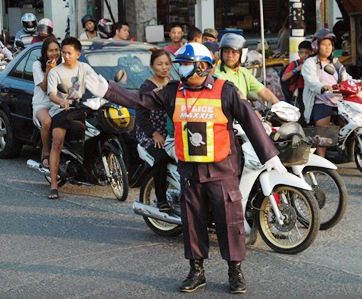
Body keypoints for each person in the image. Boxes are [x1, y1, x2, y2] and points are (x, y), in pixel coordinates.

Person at [85, 42, 287, 294]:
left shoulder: (226, 91)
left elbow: (249, 120)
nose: (180, 70)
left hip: (222, 170)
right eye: (179, 65)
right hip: (190, 171)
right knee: (193, 222)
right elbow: (140, 100)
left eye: (185, 65)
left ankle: (235, 271)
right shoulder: (172, 92)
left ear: (203, 66)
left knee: (230, 222)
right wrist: (108, 89)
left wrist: (269, 156)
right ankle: (196, 271)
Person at [301, 28, 362, 157]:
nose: (327, 48)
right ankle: (321, 159)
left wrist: (360, 83)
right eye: (324, 44)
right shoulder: (309, 63)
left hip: (339, 100)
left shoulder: (335, 63)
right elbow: (311, 81)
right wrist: (323, 87)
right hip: (321, 100)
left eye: (330, 45)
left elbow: (346, 78)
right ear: (316, 45)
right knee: (323, 129)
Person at [47, 37, 100, 199]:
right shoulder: (56, 71)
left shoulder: (85, 68)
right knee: (57, 141)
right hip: (60, 110)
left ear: (78, 53)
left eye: (69, 53)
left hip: (82, 108)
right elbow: (51, 95)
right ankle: (54, 184)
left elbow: (98, 84)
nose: (66, 56)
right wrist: (61, 102)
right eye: (64, 52)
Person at [135, 49, 173, 212]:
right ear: (152, 67)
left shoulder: (173, 83)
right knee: (161, 157)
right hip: (150, 133)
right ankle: (161, 199)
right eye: (159, 64)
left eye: (167, 64)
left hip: (170, 131)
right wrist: (154, 134)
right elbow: (141, 116)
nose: (164, 67)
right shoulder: (147, 87)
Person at [215, 33, 280, 104]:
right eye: (226, 51)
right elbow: (236, 98)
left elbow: (263, 91)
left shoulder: (244, 72)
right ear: (221, 53)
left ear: (242, 54)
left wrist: (281, 106)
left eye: (234, 52)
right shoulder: (217, 74)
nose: (229, 55)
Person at [32, 37, 62, 169]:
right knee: (47, 122)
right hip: (42, 104)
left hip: (58, 103)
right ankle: (45, 152)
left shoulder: (63, 64)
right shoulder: (37, 65)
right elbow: (44, 88)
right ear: (45, 52)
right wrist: (49, 70)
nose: (54, 53)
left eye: (56, 50)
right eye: (51, 51)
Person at [281, 40, 313, 125]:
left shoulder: (314, 63)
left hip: (311, 91)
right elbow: (284, 78)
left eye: (307, 52)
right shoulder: (295, 64)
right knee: (301, 112)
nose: (304, 55)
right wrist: (297, 69)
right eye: (301, 52)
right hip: (299, 91)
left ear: (311, 53)